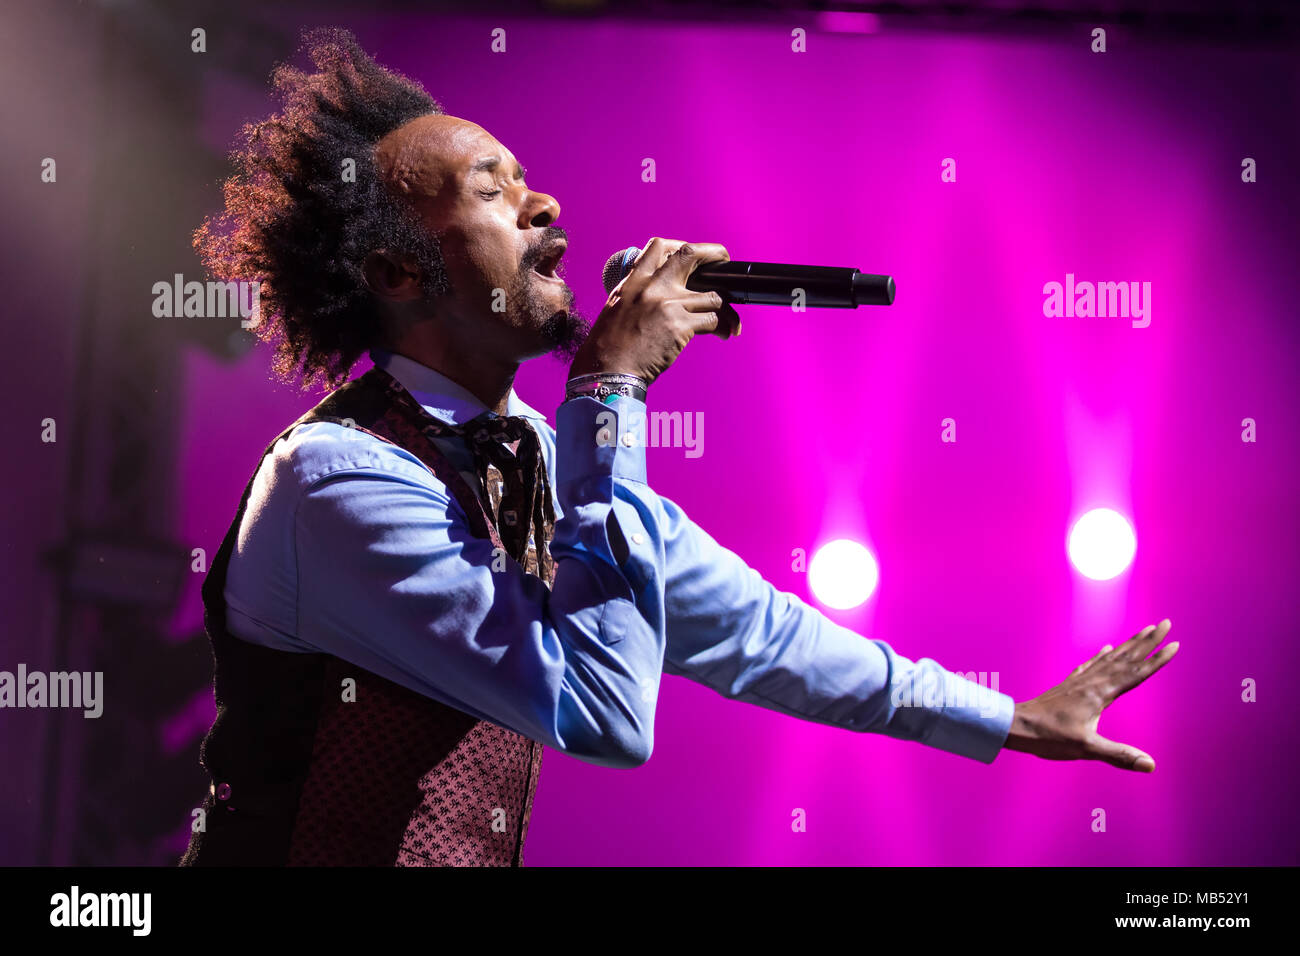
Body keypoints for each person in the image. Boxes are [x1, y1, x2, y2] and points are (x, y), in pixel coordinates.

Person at [180, 28, 1178, 867]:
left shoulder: (541, 455)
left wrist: (1005, 719)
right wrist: (609, 392)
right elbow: (604, 711)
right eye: (496, 190)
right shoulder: (336, 478)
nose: (546, 206)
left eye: (531, 182)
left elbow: (761, 634)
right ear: (398, 270)